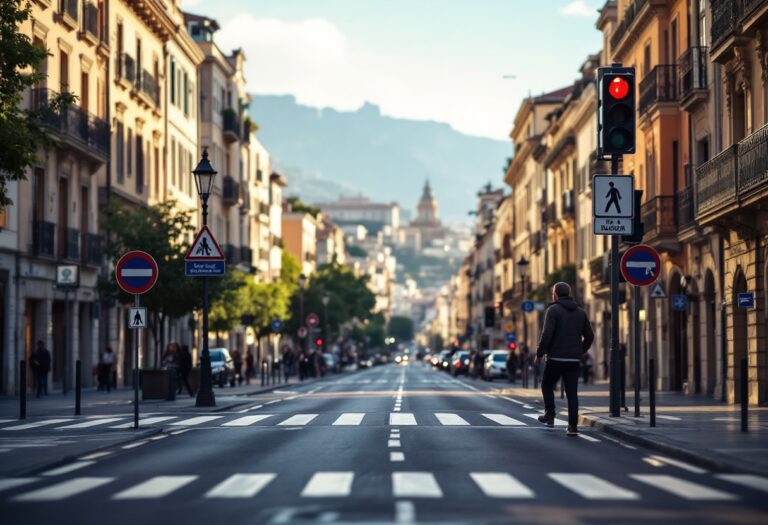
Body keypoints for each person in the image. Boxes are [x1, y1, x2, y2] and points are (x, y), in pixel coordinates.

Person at [535, 282, 594, 436]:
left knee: (546, 385)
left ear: (555, 294)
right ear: (569, 293)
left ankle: (550, 415)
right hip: (573, 360)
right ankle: (573, 427)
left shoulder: (553, 310)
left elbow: (546, 334)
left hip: (555, 358)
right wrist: (580, 351)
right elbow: (590, 336)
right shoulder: (581, 312)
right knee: (572, 394)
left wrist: (539, 353)